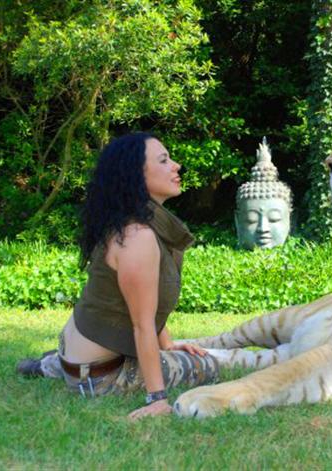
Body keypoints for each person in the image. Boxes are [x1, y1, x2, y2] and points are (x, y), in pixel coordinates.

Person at [17, 133, 219, 419]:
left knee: (176, 354)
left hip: (76, 356)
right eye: (164, 160)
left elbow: (141, 301)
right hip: (99, 377)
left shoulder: (125, 225)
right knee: (208, 367)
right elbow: (142, 324)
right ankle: (65, 370)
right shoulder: (139, 237)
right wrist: (157, 398)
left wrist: (169, 346)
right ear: (136, 176)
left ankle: (52, 365)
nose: (176, 166)